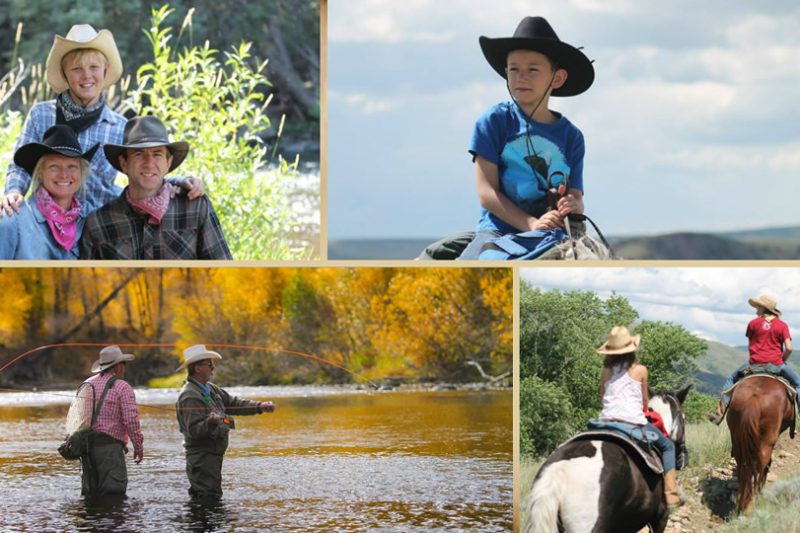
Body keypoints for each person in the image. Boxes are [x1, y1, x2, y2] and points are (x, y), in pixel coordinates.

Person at [1, 24, 202, 218]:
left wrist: (179, 181)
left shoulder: (120, 126)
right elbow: (20, 166)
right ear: (64, 73)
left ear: (105, 70)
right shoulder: (41, 115)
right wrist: (13, 191)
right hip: (45, 225)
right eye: (76, 68)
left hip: (97, 228)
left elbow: (143, 173)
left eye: (94, 67)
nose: (86, 75)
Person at [454, 16, 593, 260]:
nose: (522, 77)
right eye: (514, 69)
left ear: (557, 78)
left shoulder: (572, 137)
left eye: (533, 69)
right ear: (506, 72)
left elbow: (576, 193)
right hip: (497, 231)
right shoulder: (494, 122)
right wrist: (530, 223)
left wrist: (574, 206)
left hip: (554, 231)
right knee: (478, 267)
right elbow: (486, 192)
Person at [79, 116, 232, 259]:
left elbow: (223, 273)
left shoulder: (196, 207)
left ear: (168, 162)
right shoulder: (98, 223)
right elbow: (86, 285)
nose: (149, 163)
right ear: (124, 163)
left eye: (157, 154)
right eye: (139, 154)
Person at [596, 326, 681, 507]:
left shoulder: (605, 371)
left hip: (605, 421)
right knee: (667, 447)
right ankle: (671, 493)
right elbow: (644, 401)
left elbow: (602, 397)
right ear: (631, 349)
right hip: (632, 422)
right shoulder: (641, 370)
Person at [176, 344, 275, 499]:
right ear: (198, 368)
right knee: (208, 498)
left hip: (212, 456)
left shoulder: (210, 388)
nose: (213, 367)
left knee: (209, 498)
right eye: (209, 364)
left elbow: (234, 404)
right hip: (202, 459)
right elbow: (193, 431)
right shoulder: (190, 395)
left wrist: (259, 407)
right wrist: (210, 422)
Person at [0, 125, 96, 259]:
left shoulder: (92, 219)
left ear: (81, 173)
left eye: (72, 167)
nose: (64, 175)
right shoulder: (12, 220)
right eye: (54, 167)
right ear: (40, 172)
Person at [710, 295, 800, 424]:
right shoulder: (782, 325)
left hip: (754, 363)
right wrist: (781, 360)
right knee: (798, 384)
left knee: (731, 379)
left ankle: (719, 414)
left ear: (763, 308)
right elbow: (789, 348)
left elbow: (752, 344)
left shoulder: (753, 323)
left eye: (758, 307)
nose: (756, 309)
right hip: (776, 364)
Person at [80, 345, 144, 496]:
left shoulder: (86, 384)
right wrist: (138, 447)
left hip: (87, 449)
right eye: (124, 364)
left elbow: (79, 417)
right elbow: (131, 421)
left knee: (91, 497)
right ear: (118, 366)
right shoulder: (122, 387)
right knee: (113, 497)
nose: (125, 367)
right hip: (110, 450)